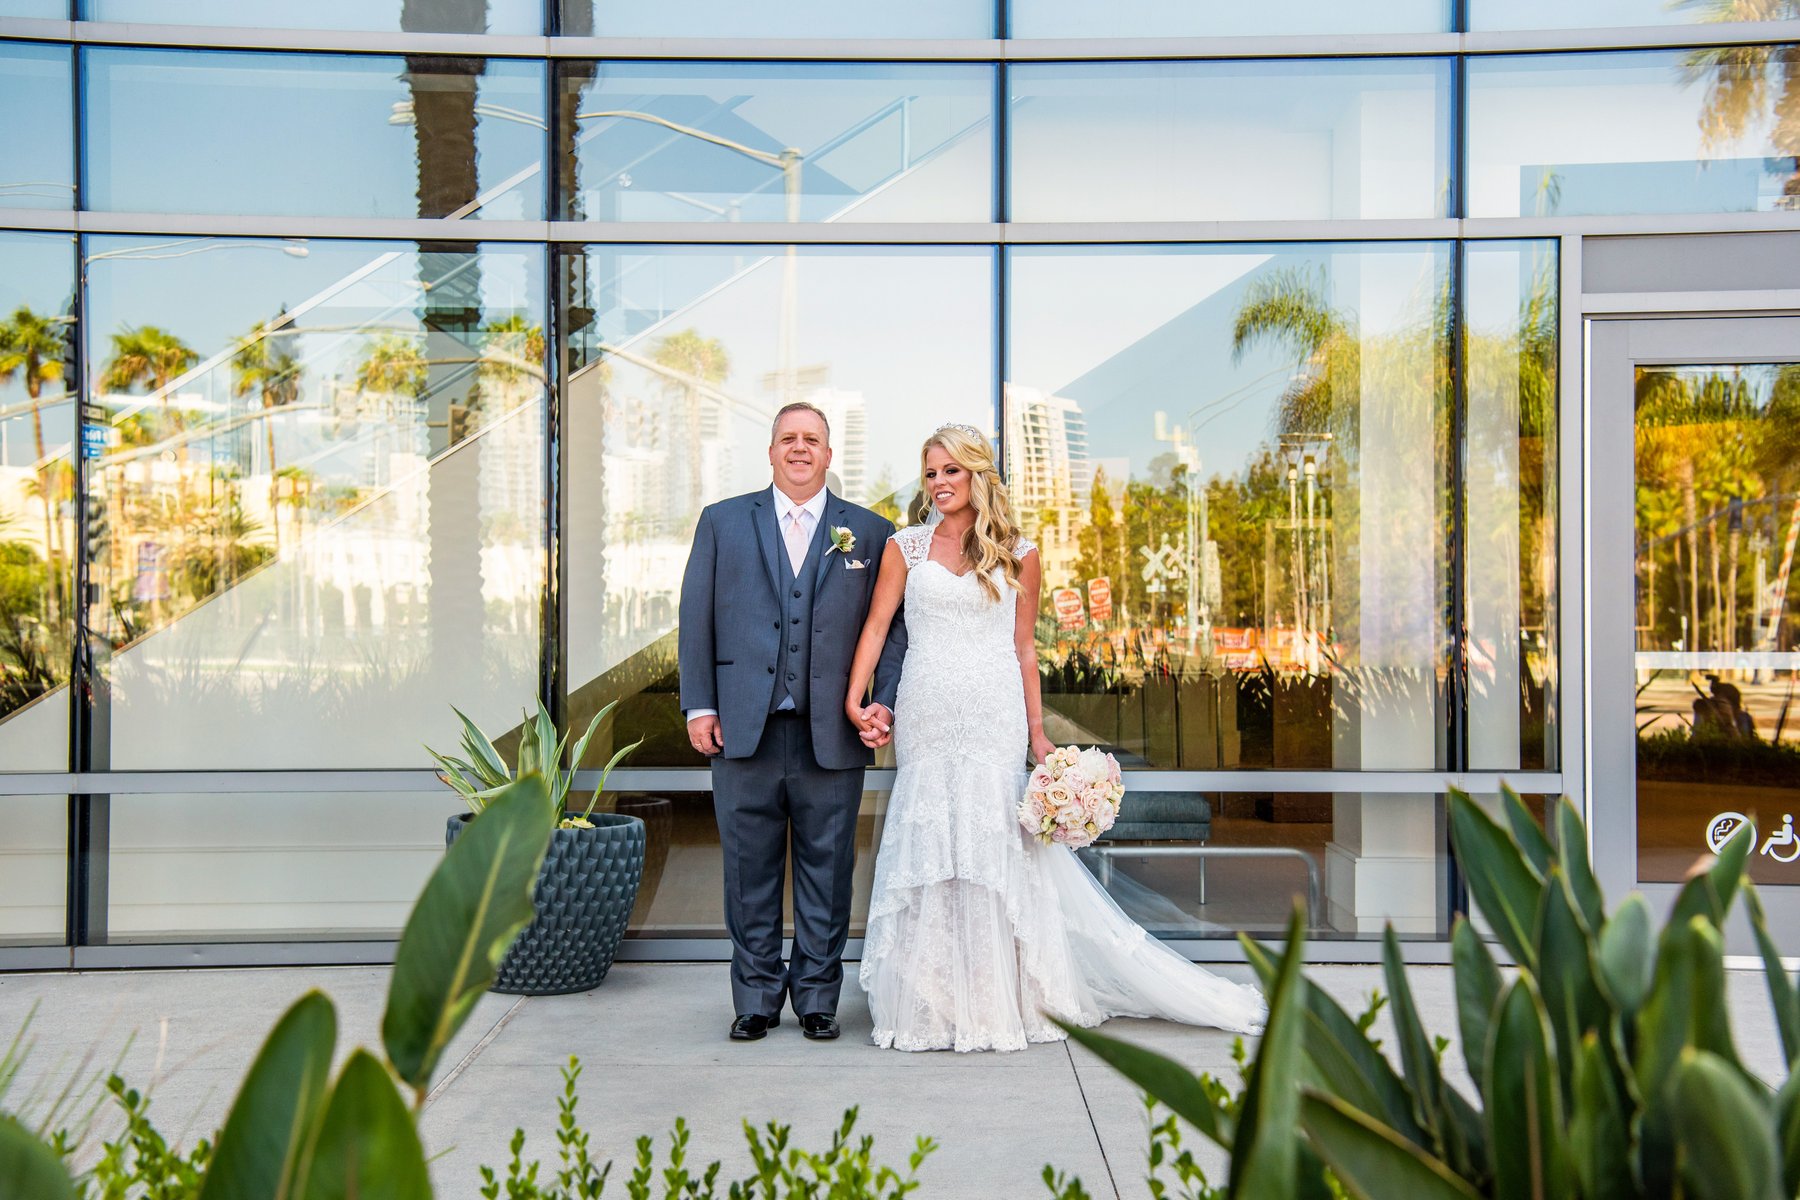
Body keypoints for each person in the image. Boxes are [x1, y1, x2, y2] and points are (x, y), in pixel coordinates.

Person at [844, 423, 1266, 1053]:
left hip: (993, 713)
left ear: (978, 475)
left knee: (992, 842)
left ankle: (999, 997)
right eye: (931, 473)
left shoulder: (1019, 550)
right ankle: (932, 1001)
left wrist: (1037, 734)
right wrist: (855, 697)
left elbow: (1023, 648)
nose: (939, 483)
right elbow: (878, 627)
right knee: (932, 839)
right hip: (926, 709)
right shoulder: (905, 547)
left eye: (951, 471)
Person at [678, 402, 906, 1042]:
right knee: (746, 872)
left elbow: (893, 630)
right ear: (772, 451)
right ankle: (754, 997)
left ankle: (816, 998)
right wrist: (701, 705)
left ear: (829, 454)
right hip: (741, 730)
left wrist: (883, 701)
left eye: (812, 439)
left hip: (831, 735)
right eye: (788, 438)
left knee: (827, 873)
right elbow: (695, 615)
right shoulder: (722, 521)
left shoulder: (871, 532)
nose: (799, 448)